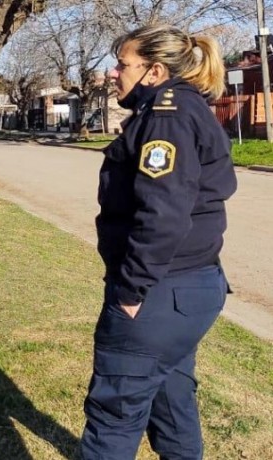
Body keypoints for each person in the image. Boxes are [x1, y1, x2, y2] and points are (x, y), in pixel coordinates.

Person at [81, 25, 237, 459]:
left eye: (122, 64)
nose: (113, 73)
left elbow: (162, 215)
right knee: (171, 405)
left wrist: (131, 290)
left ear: (154, 71)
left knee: (113, 415)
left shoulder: (167, 116)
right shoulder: (175, 109)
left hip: (159, 293)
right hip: (185, 289)